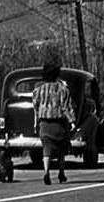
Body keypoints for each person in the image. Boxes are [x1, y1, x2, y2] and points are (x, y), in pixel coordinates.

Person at [32, 56, 76, 185]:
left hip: (44, 123)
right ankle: (61, 173)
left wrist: (35, 123)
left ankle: (46, 171)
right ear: (57, 74)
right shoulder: (63, 90)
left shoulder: (38, 90)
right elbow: (66, 107)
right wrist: (72, 122)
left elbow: (35, 107)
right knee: (62, 148)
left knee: (46, 148)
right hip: (59, 124)